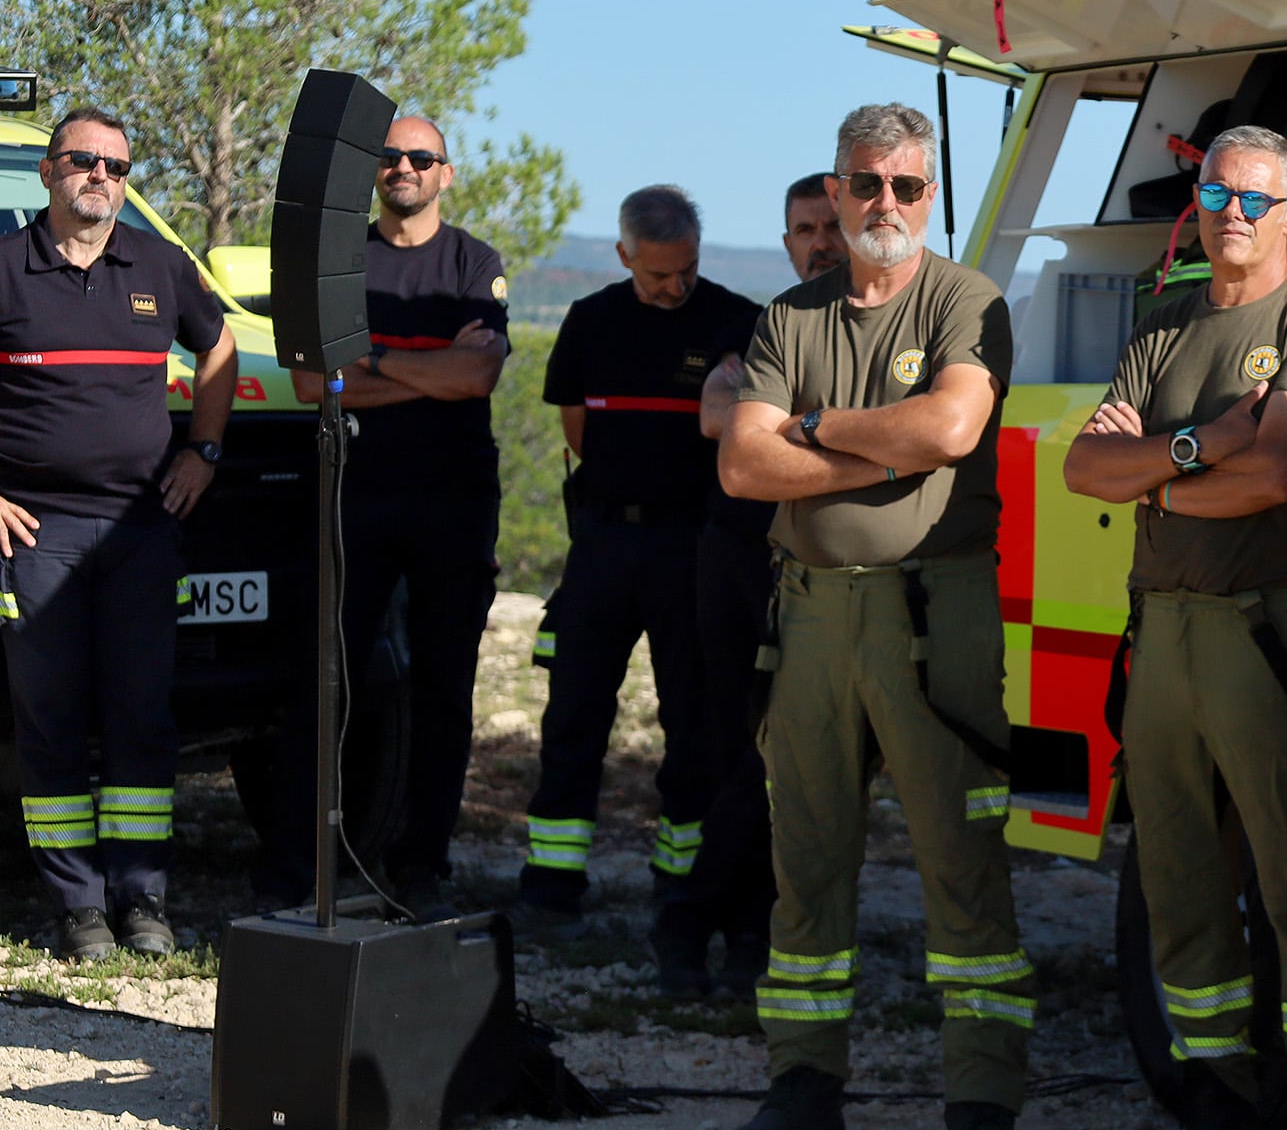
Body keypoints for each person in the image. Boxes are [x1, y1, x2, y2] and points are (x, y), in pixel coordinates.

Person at [1064, 124, 1287, 1130]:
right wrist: (1200, 451)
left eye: (1255, 199)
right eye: (1216, 194)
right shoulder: (1164, 325)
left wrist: (1155, 468)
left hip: (1265, 637)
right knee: (1181, 888)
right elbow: (1083, 467)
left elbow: (1279, 474)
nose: (1233, 214)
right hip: (1160, 635)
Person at [718, 104, 1035, 1130]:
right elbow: (743, 468)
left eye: (903, 186)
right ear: (837, 193)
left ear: (928, 195)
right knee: (805, 859)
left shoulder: (967, 301)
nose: (882, 206)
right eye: (863, 186)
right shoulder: (789, 314)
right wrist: (869, 446)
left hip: (930, 615)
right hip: (808, 616)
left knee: (962, 860)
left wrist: (812, 425)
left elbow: (948, 432)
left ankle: (984, 1100)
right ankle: (803, 1089)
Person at [0, 107, 236, 958]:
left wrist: (203, 452)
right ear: (48, 173)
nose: (101, 177)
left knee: (141, 715)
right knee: (51, 718)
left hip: (142, 528)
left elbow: (219, 352)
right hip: (38, 535)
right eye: (83, 162)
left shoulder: (162, 265)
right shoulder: (5, 268)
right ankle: (78, 909)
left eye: (118, 167)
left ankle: (143, 904)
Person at [275, 116, 509, 907]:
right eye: (390, 157)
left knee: (444, 688)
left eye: (420, 157)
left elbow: (479, 377)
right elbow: (313, 385)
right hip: (356, 492)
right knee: (326, 683)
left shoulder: (474, 263)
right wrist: (429, 370)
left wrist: (369, 360)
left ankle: (422, 864)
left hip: (452, 501)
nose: (402, 167)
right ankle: (302, 863)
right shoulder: (337, 262)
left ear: (446, 173)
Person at [514, 186, 759, 926]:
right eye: (657, 274)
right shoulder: (591, 322)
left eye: (685, 269)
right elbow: (576, 428)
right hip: (603, 544)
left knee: (692, 715)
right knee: (575, 709)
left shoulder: (733, 319)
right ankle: (553, 883)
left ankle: (680, 884)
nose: (675, 286)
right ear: (624, 256)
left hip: (694, 545)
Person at [665, 173, 846, 999]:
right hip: (736, 556)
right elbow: (715, 417)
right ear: (786, 242)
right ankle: (726, 927)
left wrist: (784, 424)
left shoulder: (883, 330)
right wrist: (833, 428)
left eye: (830, 227)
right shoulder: (765, 322)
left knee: (790, 755)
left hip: (826, 566)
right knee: (738, 744)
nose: (818, 242)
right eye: (804, 228)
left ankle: (709, 920)